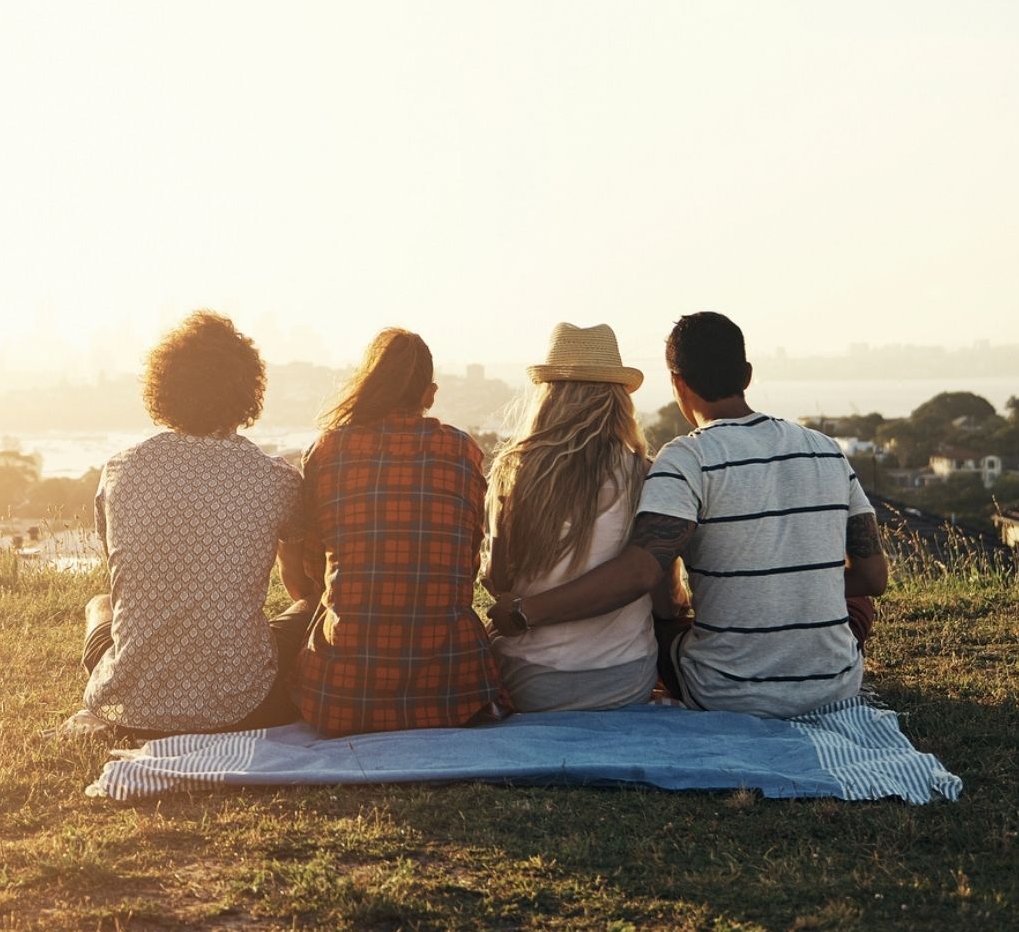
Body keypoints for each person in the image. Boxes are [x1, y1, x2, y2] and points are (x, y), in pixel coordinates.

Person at [487, 312, 889, 718]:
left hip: (722, 691)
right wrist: (794, 590)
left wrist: (525, 611)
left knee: (669, 629)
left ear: (677, 383)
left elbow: (641, 572)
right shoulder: (826, 449)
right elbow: (873, 577)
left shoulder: (686, 458)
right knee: (858, 603)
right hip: (836, 687)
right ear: (747, 375)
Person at [80, 311, 313, 736]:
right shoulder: (275, 479)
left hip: (131, 707)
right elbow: (300, 587)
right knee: (310, 609)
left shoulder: (120, 472)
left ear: (164, 388)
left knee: (99, 604)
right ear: (247, 392)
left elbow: (121, 580)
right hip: (240, 706)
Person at [290, 328, 510, 736]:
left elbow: (312, 566)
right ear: (430, 394)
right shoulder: (462, 451)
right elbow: (467, 559)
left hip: (343, 697)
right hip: (455, 689)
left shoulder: (327, 451)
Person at [483, 323, 657, 712]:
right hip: (626, 679)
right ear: (617, 399)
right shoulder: (643, 472)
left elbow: (498, 580)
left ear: (549, 396)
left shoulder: (512, 470)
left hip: (532, 680)